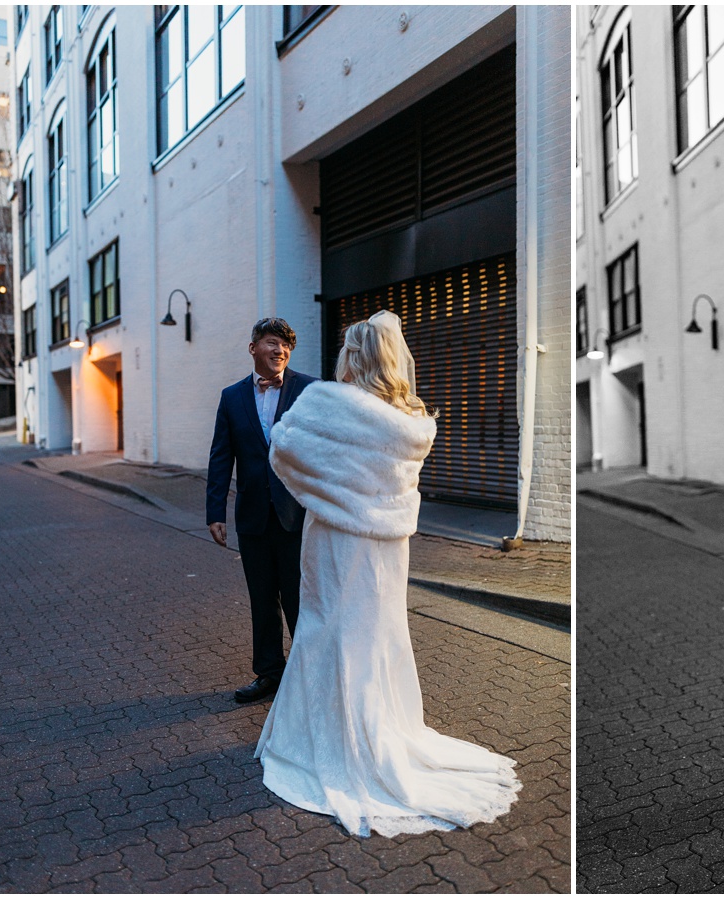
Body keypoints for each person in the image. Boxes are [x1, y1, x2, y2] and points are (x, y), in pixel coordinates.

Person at [255, 310, 521, 837]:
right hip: (385, 551)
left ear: (353, 356)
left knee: (326, 630)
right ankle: (381, 731)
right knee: (376, 638)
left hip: (336, 541)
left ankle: (324, 744)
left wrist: (323, 492)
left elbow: (282, 449)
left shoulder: (327, 402)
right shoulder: (408, 421)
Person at [208, 318, 317, 703]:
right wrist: (215, 511)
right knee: (262, 598)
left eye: (286, 346)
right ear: (253, 347)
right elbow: (221, 456)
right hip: (253, 516)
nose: (280, 351)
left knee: (299, 598)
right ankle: (270, 673)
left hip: (296, 514)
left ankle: (310, 674)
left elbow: (322, 451)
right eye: (273, 343)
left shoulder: (309, 390)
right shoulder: (231, 397)